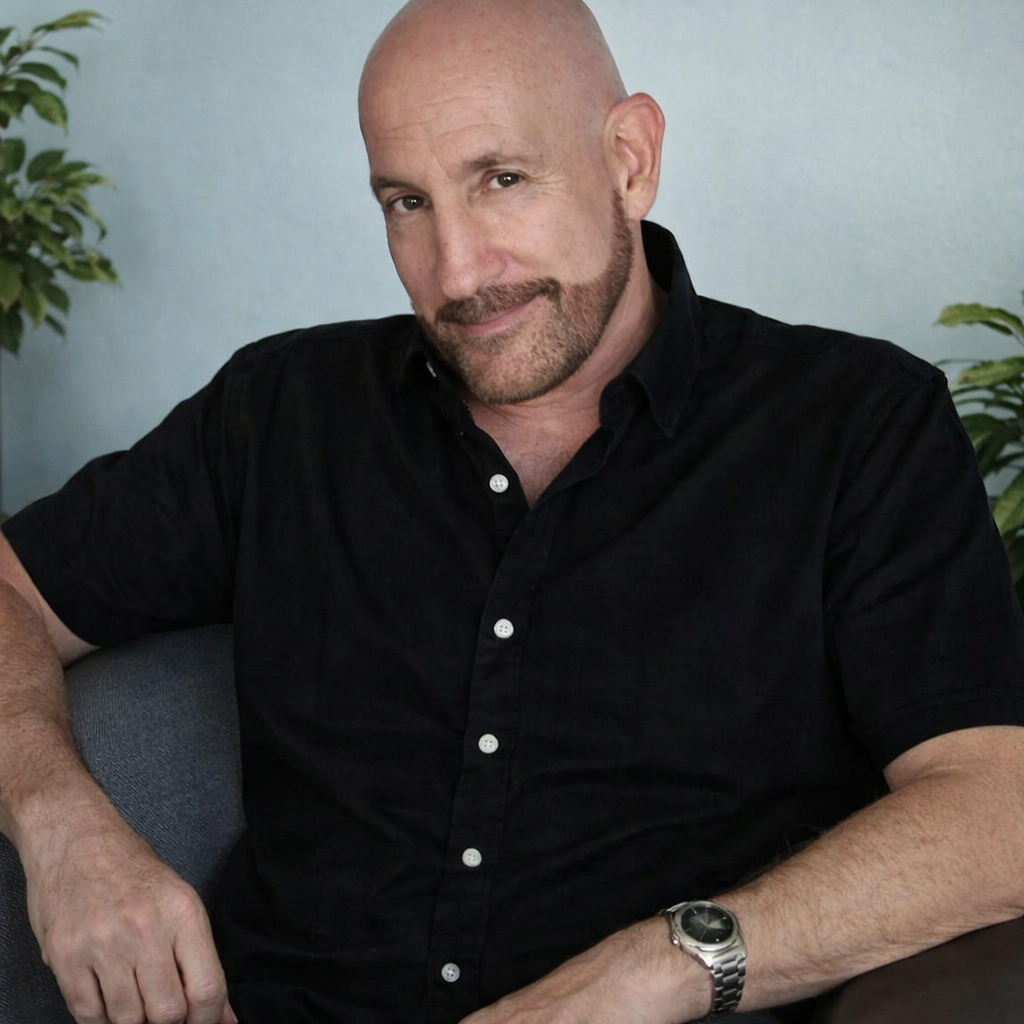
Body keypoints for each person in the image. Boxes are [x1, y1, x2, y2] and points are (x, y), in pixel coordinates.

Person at [1, 0, 1023, 1022]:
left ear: (630, 159)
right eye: (407, 201)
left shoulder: (857, 424)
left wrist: (655, 970)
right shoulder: (280, 411)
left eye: (502, 180)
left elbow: (996, 810)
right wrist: (65, 832)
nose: (457, 272)